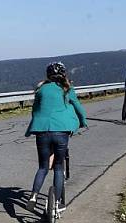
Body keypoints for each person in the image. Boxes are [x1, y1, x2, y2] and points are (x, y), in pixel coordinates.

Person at [25, 62, 87, 213]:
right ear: (64, 74)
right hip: (61, 131)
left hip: (42, 131)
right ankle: (57, 203)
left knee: (43, 167)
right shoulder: (67, 89)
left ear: (48, 75)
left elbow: (35, 110)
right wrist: (83, 122)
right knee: (58, 167)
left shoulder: (41, 90)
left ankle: (33, 196)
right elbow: (78, 107)